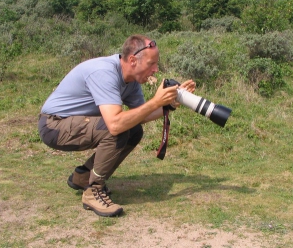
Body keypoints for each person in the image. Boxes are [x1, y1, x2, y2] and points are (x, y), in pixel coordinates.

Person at [38, 34, 196, 217]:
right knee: (117, 129)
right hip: (54, 125)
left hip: (73, 124)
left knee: (134, 129)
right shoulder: (104, 72)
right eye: (151, 64)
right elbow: (114, 124)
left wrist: (171, 103)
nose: (156, 69)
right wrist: (155, 102)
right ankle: (93, 191)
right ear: (132, 60)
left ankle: (83, 177)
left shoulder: (131, 81)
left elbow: (140, 115)